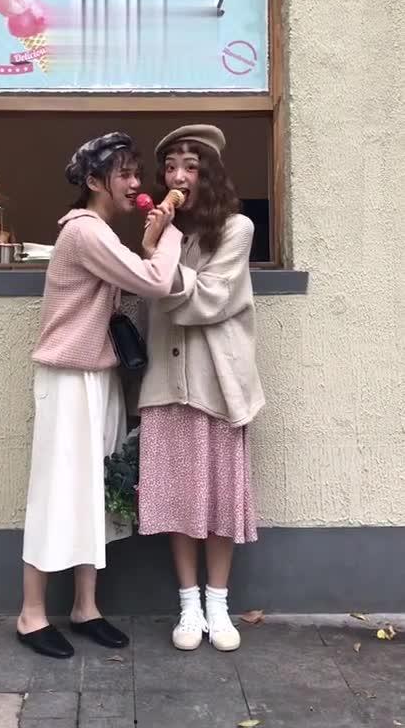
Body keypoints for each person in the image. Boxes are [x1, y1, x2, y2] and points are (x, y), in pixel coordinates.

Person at [17, 131, 182, 659]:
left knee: (95, 488)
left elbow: (136, 279)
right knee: (57, 490)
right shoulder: (85, 232)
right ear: (93, 181)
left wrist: (150, 246)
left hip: (98, 375)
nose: (135, 184)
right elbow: (155, 281)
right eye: (124, 174)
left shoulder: (101, 234)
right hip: (69, 378)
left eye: (137, 173)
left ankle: (85, 608)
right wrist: (168, 235)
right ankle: (31, 613)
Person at [138, 124, 265, 652]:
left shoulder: (236, 228)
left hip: (218, 384)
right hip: (166, 384)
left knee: (218, 500)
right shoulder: (167, 233)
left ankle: (219, 603)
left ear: (208, 175)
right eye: (170, 167)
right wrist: (156, 244)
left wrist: (155, 262)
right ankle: (188, 604)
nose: (178, 177)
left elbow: (209, 299)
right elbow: (147, 292)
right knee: (177, 499)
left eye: (189, 167)